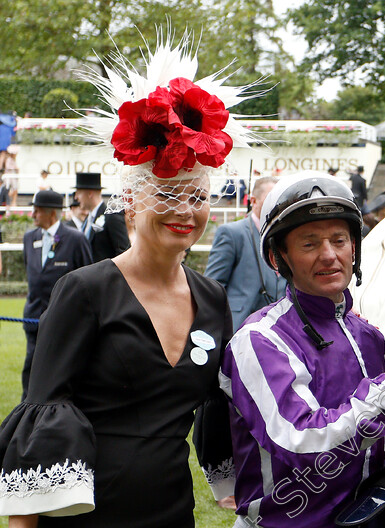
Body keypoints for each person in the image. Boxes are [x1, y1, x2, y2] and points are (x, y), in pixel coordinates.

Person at [0, 33, 260, 526]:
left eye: (197, 197)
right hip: (87, 516)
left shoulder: (212, 298)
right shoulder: (84, 291)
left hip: (171, 513)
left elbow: (228, 403)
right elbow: (42, 414)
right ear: (133, 201)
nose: (186, 212)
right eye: (168, 195)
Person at [220, 173, 385, 526]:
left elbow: (375, 432)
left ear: (354, 247)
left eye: (339, 240)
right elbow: (304, 443)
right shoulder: (258, 340)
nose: (329, 255)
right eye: (309, 244)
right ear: (278, 257)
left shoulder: (371, 338)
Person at [19, 189, 92, 399]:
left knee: (62, 370)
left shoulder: (75, 239)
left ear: (51, 213)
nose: (32, 215)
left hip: (64, 319)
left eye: (37, 211)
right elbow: (31, 273)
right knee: (30, 368)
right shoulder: (28, 238)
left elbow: (88, 274)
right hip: (33, 318)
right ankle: (27, 413)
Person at [205, 176, 286, 330]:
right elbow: (212, 288)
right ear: (253, 201)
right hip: (239, 328)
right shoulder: (232, 233)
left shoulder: (285, 238)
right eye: (269, 199)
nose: (275, 205)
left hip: (279, 330)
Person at [74, 172, 130, 261]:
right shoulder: (88, 219)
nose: (76, 197)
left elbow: (123, 251)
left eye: (78, 193)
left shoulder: (112, 216)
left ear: (90, 194)